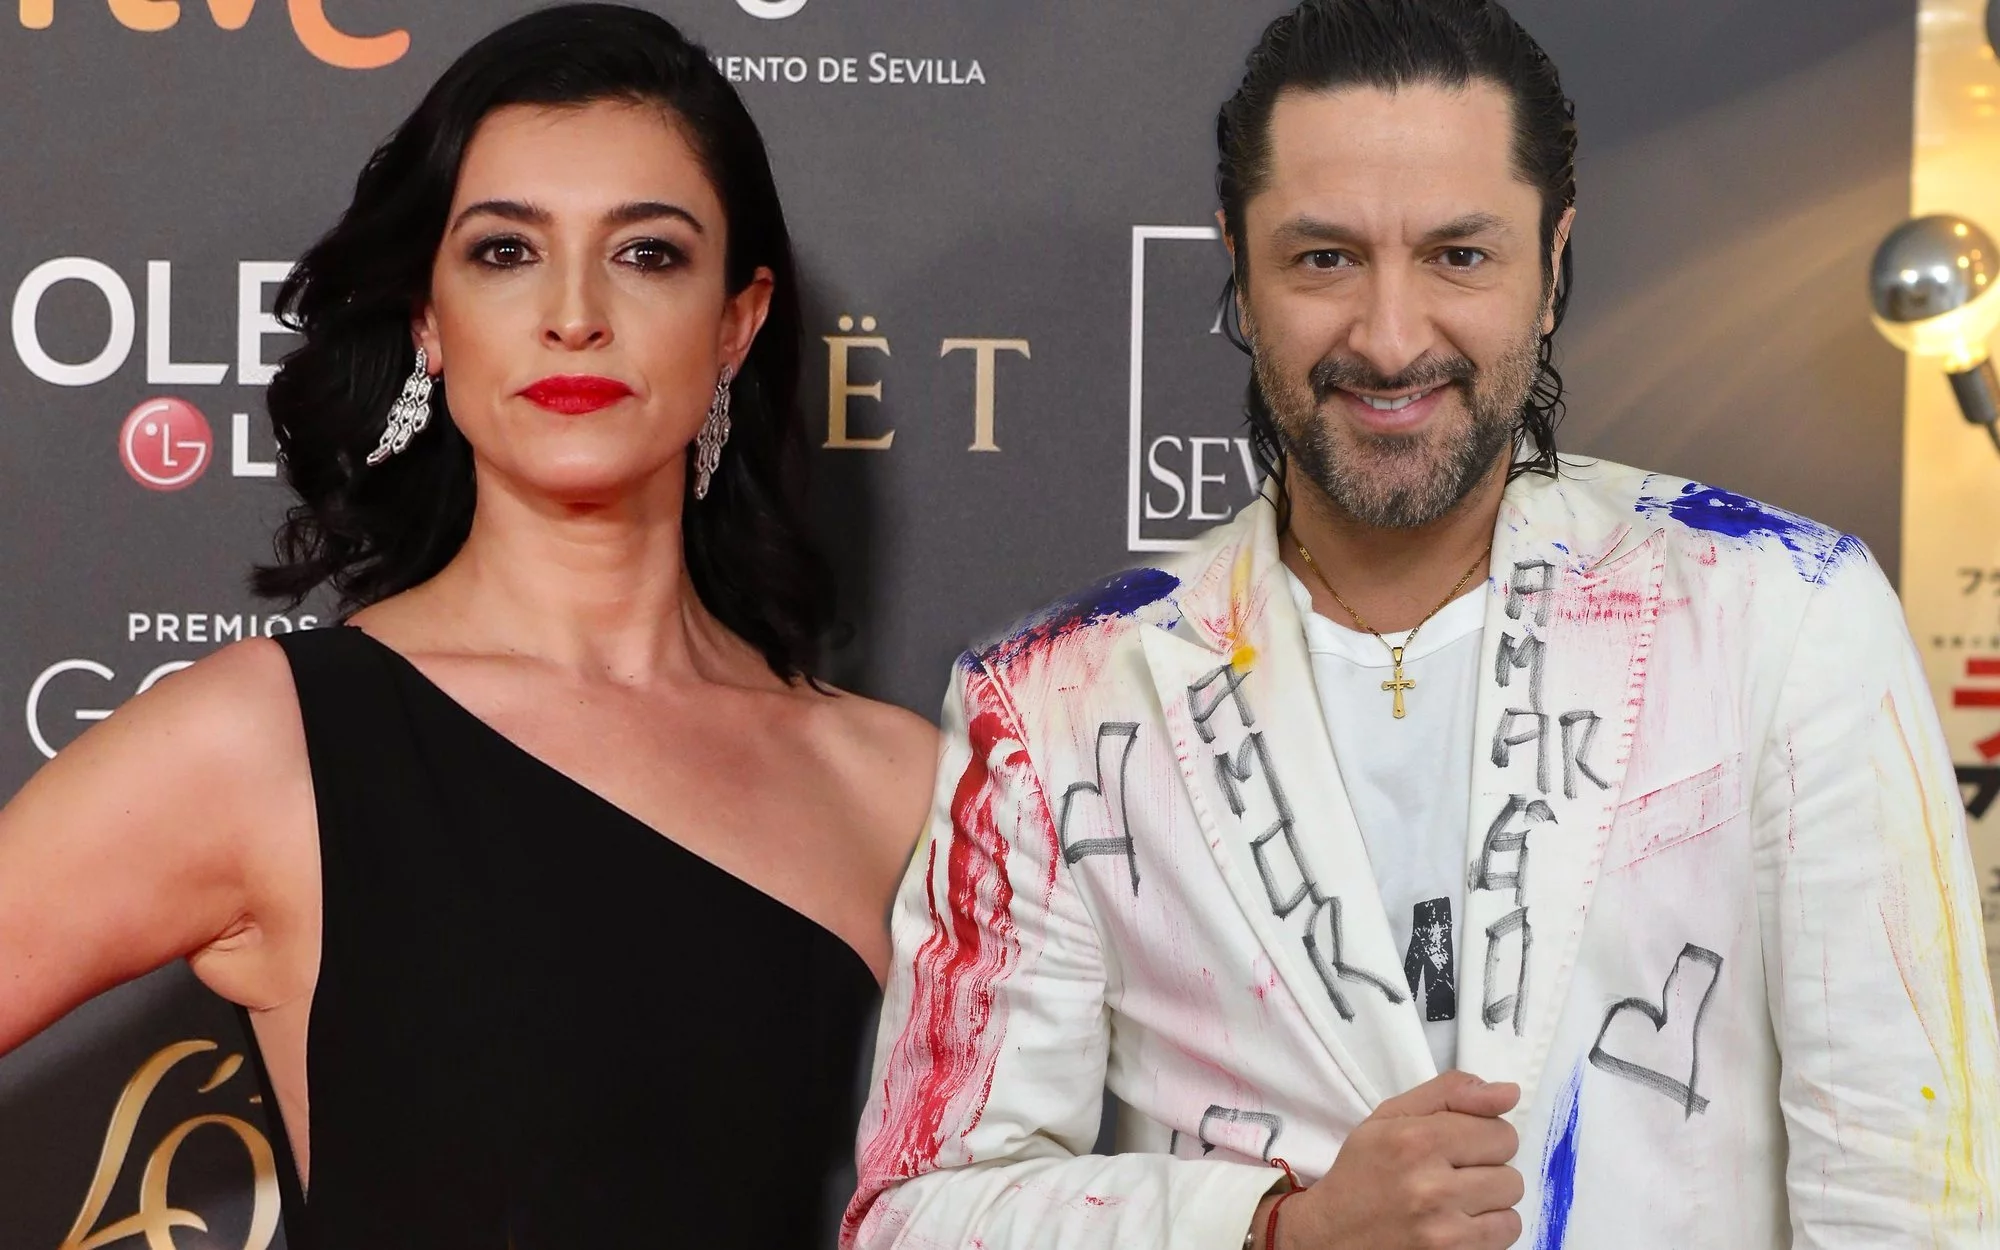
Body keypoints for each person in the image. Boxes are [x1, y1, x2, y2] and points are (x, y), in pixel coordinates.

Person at [843, 2, 2000, 1248]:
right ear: (1237, 266)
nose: (1389, 340)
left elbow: (1909, 1199)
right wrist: (1277, 1228)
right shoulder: (1057, 699)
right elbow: (918, 1215)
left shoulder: (1783, 612)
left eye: (1457, 254)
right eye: (1322, 259)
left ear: (1550, 262)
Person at [0, 5, 936, 1246]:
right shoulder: (268, 742)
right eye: (505, 251)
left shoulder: (899, 785)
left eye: (646, 253)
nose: (573, 313)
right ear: (428, 319)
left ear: (736, 320)